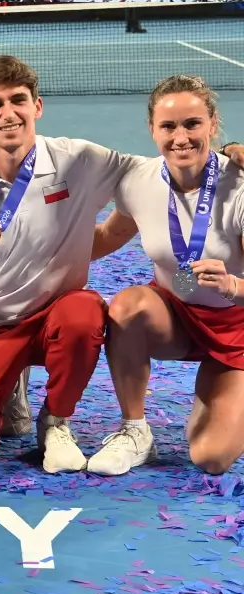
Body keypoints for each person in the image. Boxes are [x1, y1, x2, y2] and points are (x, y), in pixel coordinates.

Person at [0, 55, 141, 475]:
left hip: (56, 315)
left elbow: (155, 175)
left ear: (37, 106)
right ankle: (6, 382)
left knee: (83, 314)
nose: (7, 113)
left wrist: (223, 154)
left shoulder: (78, 160)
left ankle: (55, 420)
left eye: (18, 100)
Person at [88, 76, 244, 476]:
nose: (180, 137)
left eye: (192, 124)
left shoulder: (239, 189)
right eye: (168, 126)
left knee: (210, 457)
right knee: (127, 306)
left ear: (212, 123)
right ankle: (136, 431)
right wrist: (32, 248)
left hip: (238, 327)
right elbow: (108, 236)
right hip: (176, 315)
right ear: (152, 130)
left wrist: (232, 285)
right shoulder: (140, 180)